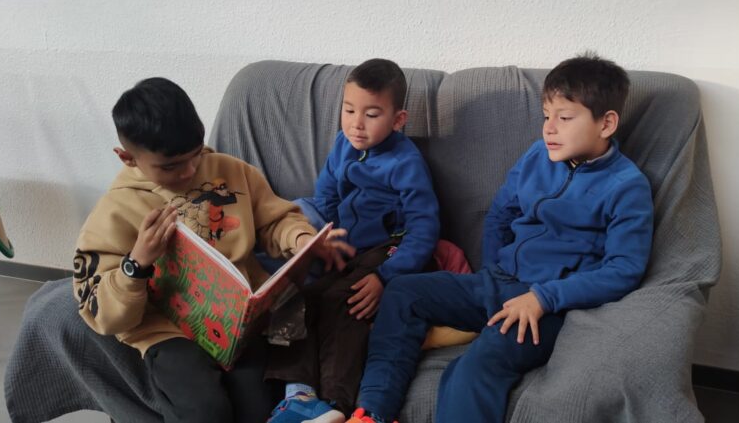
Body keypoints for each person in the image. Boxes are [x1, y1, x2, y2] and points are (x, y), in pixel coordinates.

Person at [347, 54, 655, 423]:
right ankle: (373, 413)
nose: (549, 129)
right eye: (546, 116)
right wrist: (494, 268)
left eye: (564, 118)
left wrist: (544, 297)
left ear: (606, 123)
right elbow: (501, 214)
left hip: (547, 305)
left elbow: (624, 269)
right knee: (403, 292)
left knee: (471, 368)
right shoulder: (538, 155)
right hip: (497, 282)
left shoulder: (627, 186)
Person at [71, 77, 352, 423]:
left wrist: (301, 240)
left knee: (256, 409)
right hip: (167, 331)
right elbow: (102, 313)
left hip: (237, 322)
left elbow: (275, 219)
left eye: (195, 155)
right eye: (171, 166)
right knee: (206, 410)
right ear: (127, 158)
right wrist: (136, 264)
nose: (190, 171)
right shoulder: (113, 212)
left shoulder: (231, 171)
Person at [265, 58, 441, 423]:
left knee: (345, 301)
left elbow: (424, 226)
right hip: (347, 247)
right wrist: (329, 240)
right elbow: (326, 195)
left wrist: (386, 275)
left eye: (371, 114)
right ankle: (299, 395)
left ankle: (336, 403)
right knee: (294, 297)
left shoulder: (405, 162)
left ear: (398, 120)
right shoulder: (342, 145)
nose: (356, 124)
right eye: (349, 110)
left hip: (389, 249)